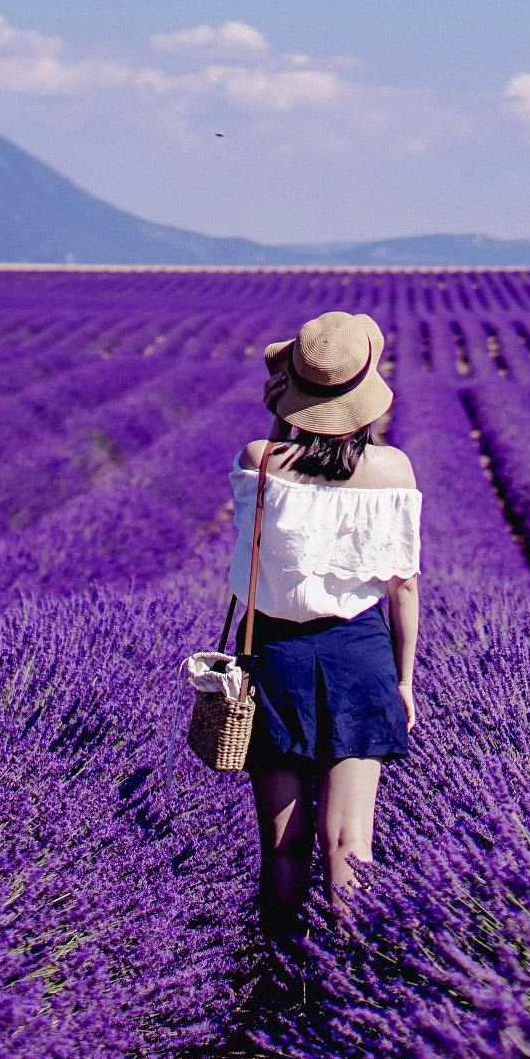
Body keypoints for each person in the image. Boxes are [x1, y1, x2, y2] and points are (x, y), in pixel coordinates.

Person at [229, 309, 420, 951]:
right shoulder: (393, 469)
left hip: (276, 655)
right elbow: (405, 586)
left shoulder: (259, 461)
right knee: (349, 844)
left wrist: (284, 400)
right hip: (359, 657)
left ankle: (276, 979)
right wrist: (404, 678)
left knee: (282, 850)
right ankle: (346, 981)